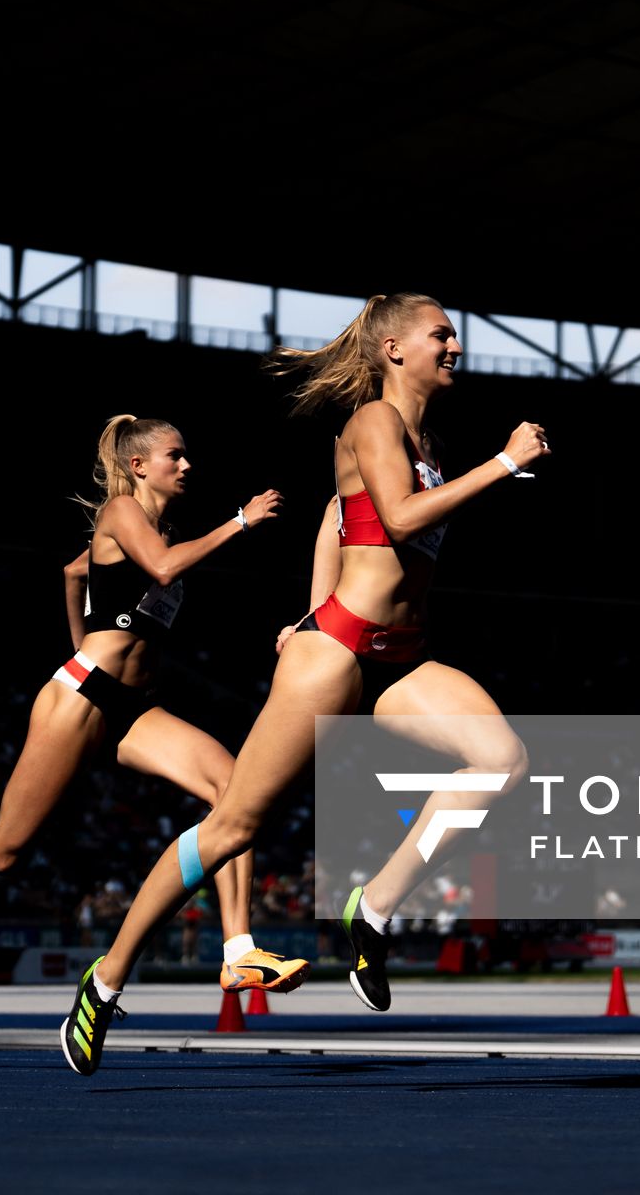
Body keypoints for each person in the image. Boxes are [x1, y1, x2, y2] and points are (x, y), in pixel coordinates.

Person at [59, 292, 550, 1074]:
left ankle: (374, 907)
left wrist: (307, 603)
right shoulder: (373, 423)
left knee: (502, 759)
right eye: (441, 334)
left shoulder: (427, 436)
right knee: (233, 827)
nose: (455, 346)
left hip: (401, 656)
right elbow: (398, 517)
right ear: (393, 349)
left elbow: (337, 513)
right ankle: (106, 980)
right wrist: (505, 464)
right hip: (340, 655)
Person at [0, 415, 303, 993]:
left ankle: (239, 952)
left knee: (233, 789)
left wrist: (83, 637)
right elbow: (165, 567)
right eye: (175, 455)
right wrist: (240, 521)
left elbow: (74, 573)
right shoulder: (123, 513)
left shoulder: (155, 527)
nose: (186, 465)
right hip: (80, 698)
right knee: (3, 851)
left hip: (131, 707)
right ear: (138, 466)